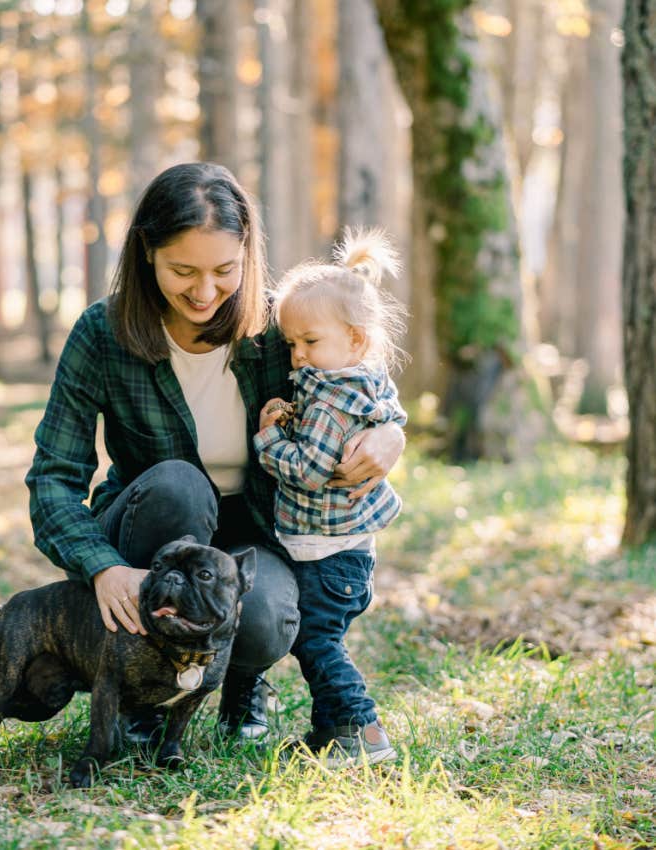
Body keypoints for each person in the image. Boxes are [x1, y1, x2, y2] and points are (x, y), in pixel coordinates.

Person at [25, 162, 405, 744]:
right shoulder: (103, 334)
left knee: (267, 614)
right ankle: (141, 693)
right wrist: (103, 566)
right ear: (147, 253)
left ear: (248, 257)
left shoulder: (285, 327)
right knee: (179, 484)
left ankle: (239, 683)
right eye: (182, 270)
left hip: (252, 532)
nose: (204, 293)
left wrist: (391, 433)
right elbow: (53, 479)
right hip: (150, 528)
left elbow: (358, 373)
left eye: (224, 271)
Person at [254, 228, 407, 763]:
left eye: (309, 343)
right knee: (317, 639)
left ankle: (363, 731)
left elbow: (309, 470)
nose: (296, 356)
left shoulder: (329, 403)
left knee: (316, 643)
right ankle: (329, 737)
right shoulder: (363, 379)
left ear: (356, 339)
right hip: (346, 550)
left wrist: (270, 436)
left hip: (326, 555)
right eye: (292, 343)